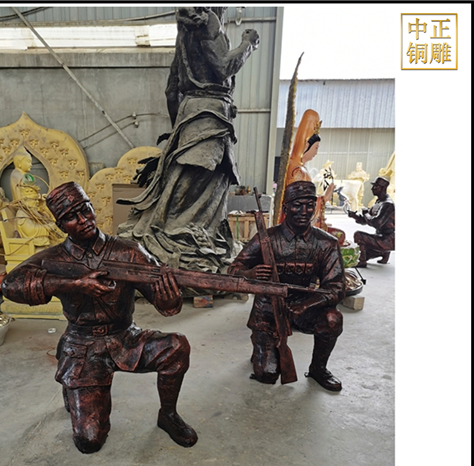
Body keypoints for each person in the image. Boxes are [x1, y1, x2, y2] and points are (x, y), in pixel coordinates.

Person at [1, 181, 197, 454]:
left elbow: (162, 301)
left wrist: (169, 296)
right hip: (83, 347)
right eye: (71, 217)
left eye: (85, 210)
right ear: (61, 226)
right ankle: (74, 386)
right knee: (89, 440)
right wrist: (75, 284)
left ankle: (168, 414)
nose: (83, 220)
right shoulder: (53, 257)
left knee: (176, 346)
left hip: (125, 337)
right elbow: (10, 285)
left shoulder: (128, 251)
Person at [117, 7, 259, 273]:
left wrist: (179, 132)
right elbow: (224, 67)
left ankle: (171, 240)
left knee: (180, 187)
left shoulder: (184, 32)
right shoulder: (209, 21)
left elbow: (171, 91)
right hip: (211, 119)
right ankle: (187, 248)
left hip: (189, 117)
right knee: (206, 189)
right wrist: (248, 44)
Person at [229, 180, 346, 391]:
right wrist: (249, 274)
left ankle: (318, 369)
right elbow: (233, 269)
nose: (304, 211)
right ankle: (262, 346)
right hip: (268, 311)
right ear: (285, 208)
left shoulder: (326, 243)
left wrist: (306, 305)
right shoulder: (266, 239)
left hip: (305, 309)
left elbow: (336, 287)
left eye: (309, 205)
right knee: (267, 375)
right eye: (297, 205)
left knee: (332, 319)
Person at [279, 109, 334, 227]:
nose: (316, 153)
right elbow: (299, 206)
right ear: (306, 145)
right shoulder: (297, 171)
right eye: (316, 148)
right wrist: (324, 199)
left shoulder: (296, 166)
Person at [348, 176, 395, 267]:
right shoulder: (378, 202)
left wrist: (366, 213)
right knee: (363, 253)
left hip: (388, 240)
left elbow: (376, 223)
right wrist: (354, 216)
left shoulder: (387, 204)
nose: (372, 188)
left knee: (358, 235)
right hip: (381, 238)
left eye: (375, 186)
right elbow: (365, 220)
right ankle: (384, 253)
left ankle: (362, 261)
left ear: (383, 188)